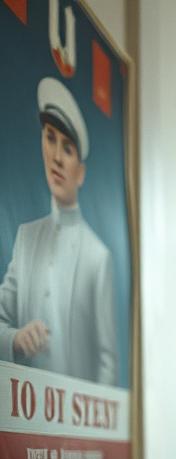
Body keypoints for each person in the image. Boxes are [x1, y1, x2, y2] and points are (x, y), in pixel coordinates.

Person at [0, 77, 116, 385]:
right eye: (50, 138)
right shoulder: (25, 238)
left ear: (81, 171)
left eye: (67, 148)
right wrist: (14, 338)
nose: (57, 157)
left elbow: (107, 362)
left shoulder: (97, 257)